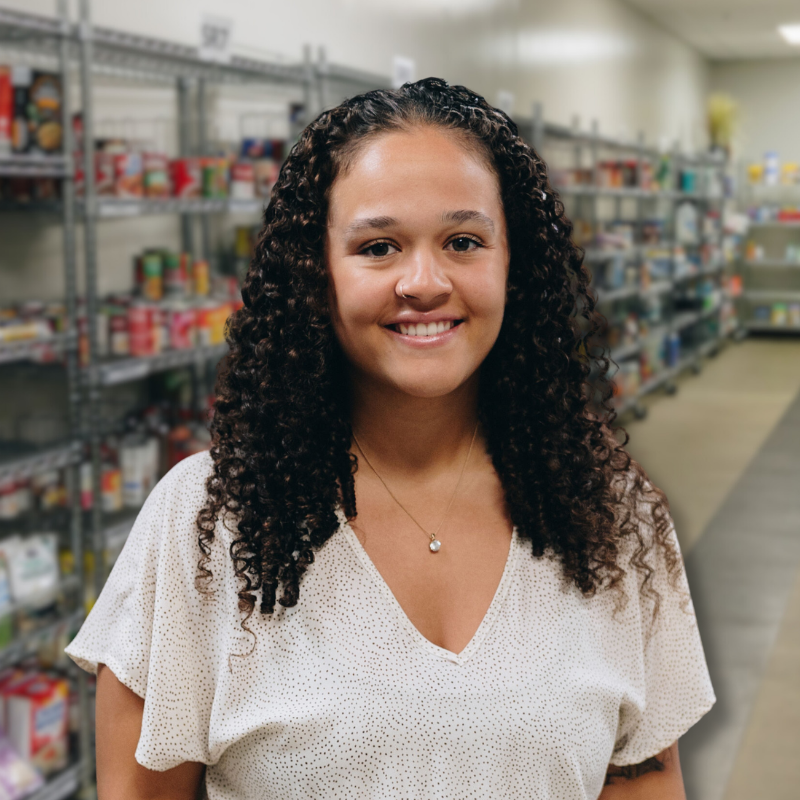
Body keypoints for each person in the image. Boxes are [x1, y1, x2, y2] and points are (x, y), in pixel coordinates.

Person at [66, 78, 714, 800]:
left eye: (463, 241)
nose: (424, 281)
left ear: (514, 264)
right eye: (378, 247)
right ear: (318, 275)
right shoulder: (204, 523)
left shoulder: (611, 517)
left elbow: (642, 780)